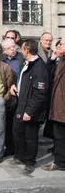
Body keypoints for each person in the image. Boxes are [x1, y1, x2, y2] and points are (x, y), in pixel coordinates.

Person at [9, 39, 49, 174]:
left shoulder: (39, 67)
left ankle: (30, 161)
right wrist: (15, 86)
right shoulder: (26, 63)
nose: (20, 51)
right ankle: (19, 155)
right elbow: (21, 79)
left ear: (27, 50)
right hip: (21, 104)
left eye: (22, 49)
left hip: (31, 110)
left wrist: (30, 111)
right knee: (17, 132)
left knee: (30, 137)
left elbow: (40, 93)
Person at [0, 38, 25, 157]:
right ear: (4, 50)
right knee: (7, 124)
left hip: (19, 95)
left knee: (18, 125)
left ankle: (20, 149)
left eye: (14, 46)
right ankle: (9, 147)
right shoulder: (0, 59)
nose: (13, 49)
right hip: (5, 96)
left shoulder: (21, 58)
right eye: (10, 48)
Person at [43, 36, 65, 171]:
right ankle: (60, 161)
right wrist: (52, 59)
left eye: (61, 44)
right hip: (58, 104)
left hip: (61, 105)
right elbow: (47, 73)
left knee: (60, 136)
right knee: (58, 135)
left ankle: (60, 162)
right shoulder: (60, 60)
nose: (58, 46)